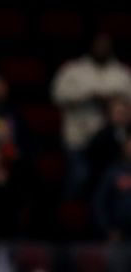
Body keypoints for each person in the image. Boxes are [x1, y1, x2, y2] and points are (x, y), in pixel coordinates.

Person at [51, 33, 131, 196]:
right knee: (80, 177)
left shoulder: (122, 73)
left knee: (111, 182)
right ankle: (70, 214)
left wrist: (115, 99)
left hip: (112, 142)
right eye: (98, 44)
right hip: (79, 138)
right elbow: (57, 95)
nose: (102, 47)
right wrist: (87, 95)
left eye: (105, 44)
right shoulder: (73, 70)